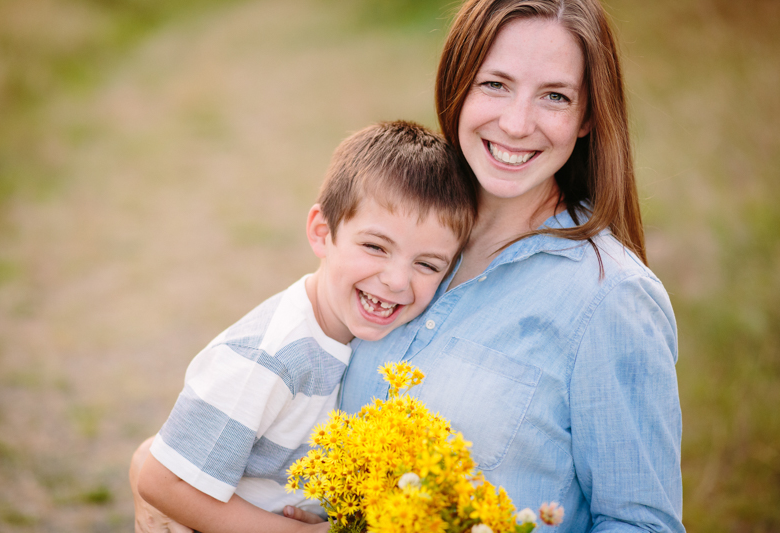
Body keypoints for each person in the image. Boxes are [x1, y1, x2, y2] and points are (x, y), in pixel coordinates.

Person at [132, 0, 685, 531]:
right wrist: (157, 476)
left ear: (588, 116)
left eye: (556, 97)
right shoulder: (411, 228)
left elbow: (641, 523)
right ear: (458, 84)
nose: (517, 123)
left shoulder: (611, 298)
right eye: (495, 84)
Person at [135, 120, 475, 533]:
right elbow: (160, 480)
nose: (397, 280)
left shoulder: (363, 335)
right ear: (322, 233)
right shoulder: (271, 357)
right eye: (375, 247)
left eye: (427, 264)